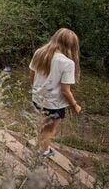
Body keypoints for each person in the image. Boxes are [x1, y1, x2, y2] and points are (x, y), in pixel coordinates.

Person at [30, 28, 82, 156]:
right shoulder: (67, 63)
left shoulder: (40, 53)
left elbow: (32, 74)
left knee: (46, 124)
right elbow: (65, 90)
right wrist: (74, 105)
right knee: (50, 129)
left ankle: (41, 145)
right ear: (71, 45)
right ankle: (44, 152)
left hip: (38, 98)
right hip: (54, 103)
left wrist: (37, 89)